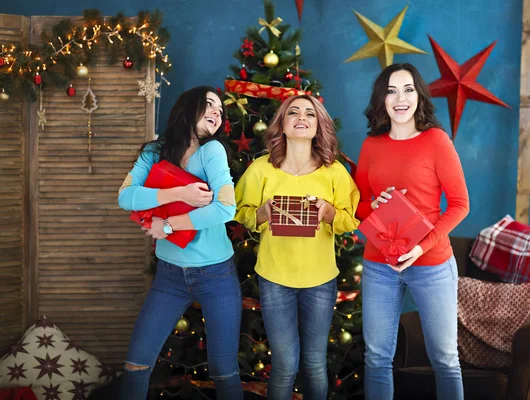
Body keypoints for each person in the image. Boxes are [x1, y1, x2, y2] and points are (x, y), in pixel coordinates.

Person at [117, 86, 243, 400]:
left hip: (216, 276)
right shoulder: (153, 152)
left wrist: (169, 225)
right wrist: (179, 194)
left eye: (220, 109)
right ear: (188, 107)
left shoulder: (211, 151)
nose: (217, 112)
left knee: (224, 372)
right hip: (170, 277)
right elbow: (126, 197)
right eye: (209, 104)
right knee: (135, 365)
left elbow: (226, 208)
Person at [355, 63, 470, 400]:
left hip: (431, 264)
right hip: (379, 265)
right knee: (376, 358)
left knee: (445, 360)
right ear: (382, 99)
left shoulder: (436, 140)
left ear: (419, 96)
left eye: (407, 89)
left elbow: (460, 204)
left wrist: (421, 247)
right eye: (391, 91)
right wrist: (376, 204)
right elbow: (360, 204)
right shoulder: (371, 145)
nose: (400, 98)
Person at [234, 94, 359, 400]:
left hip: (320, 279)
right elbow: (240, 211)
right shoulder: (261, 169)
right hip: (275, 278)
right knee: (285, 365)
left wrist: (329, 212)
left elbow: (351, 219)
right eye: (294, 112)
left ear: (318, 127)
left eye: (310, 114)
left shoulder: (334, 172)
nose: (302, 117)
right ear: (283, 124)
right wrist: (262, 212)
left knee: (315, 364)